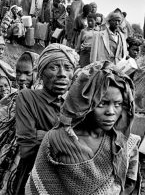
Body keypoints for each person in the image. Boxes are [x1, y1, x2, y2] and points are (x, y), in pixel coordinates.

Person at [26, 61, 140, 195]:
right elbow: (38, 187)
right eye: (102, 103)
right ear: (85, 105)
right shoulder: (57, 138)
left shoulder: (121, 143)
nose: (111, 111)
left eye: (118, 104)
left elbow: (128, 184)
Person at [14, 43, 79, 194]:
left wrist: (44, 135)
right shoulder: (27, 97)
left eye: (68, 68)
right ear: (41, 73)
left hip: (68, 181)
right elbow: (27, 148)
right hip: (34, 176)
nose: (62, 74)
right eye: (54, 67)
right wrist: (68, 138)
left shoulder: (75, 103)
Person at [0, 52, 39, 195]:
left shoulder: (41, 103)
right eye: (18, 72)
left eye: (27, 73)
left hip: (27, 160)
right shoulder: (9, 100)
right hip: (2, 157)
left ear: (38, 73)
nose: (21, 78)